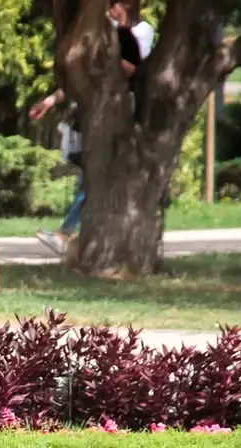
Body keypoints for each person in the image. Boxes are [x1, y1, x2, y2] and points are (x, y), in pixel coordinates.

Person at [29, 0, 154, 256]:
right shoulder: (107, 30)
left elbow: (131, 69)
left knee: (95, 178)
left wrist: (121, 31)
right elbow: (87, 75)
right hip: (96, 114)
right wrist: (50, 101)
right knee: (92, 176)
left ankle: (68, 233)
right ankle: (77, 236)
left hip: (123, 112)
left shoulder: (141, 31)